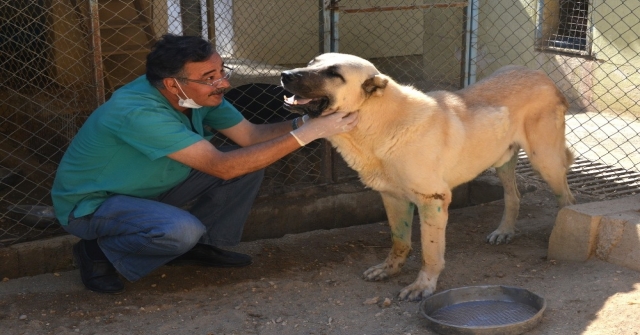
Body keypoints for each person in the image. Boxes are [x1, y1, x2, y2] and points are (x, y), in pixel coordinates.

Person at [51, 34, 358, 294]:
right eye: (210, 78)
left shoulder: (196, 95)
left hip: (148, 191)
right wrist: (309, 134)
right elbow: (222, 167)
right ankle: (95, 251)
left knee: (251, 163)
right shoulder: (138, 111)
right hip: (94, 206)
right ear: (173, 84)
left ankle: (199, 246)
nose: (222, 83)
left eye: (221, 71)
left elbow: (250, 137)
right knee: (180, 229)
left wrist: (307, 120)